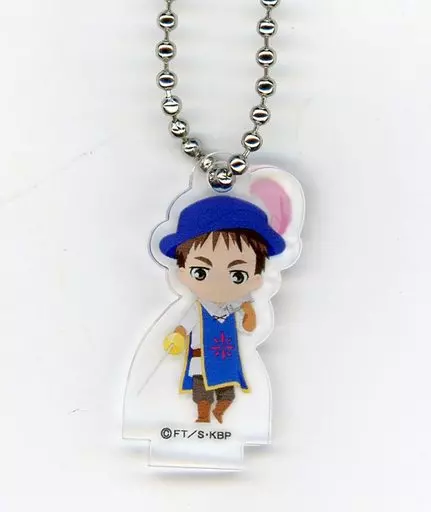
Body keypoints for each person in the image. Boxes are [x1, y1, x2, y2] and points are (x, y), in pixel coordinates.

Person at [159, 195, 286, 424]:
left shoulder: (235, 307)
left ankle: (220, 411)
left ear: (256, 279)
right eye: (201, 272)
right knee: (201, 392)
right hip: (200, 359)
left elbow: (249, 328)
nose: (218, 282)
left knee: (228, 392)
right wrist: (177, 335)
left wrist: (249, 311)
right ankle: (203, 416)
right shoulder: (198, 308)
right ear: (183, 273)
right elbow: (184, 326)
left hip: (226, 360)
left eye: (238, 275)